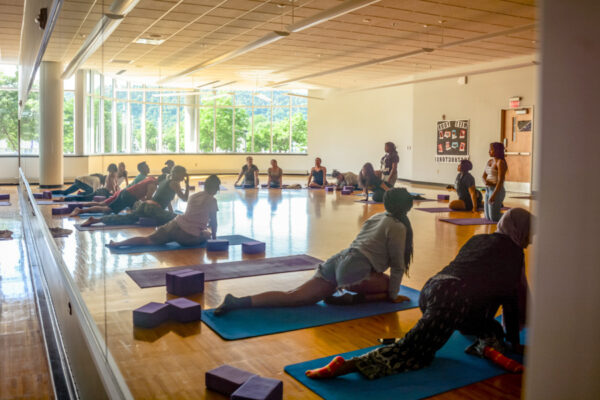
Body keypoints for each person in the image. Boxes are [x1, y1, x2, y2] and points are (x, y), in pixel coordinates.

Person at [304, 208, 531, 380]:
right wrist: (515, 343)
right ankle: (350, 365)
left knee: (490, 329)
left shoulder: (479, 239)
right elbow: (510, 298)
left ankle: (488, 345)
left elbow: (481, 283)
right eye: (529, 234)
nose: (530, 240)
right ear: (520, 230)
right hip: (453, 300)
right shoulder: (513, 253)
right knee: (414, 352)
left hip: (433, 289)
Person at [214, 188, 415, 315]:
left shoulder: (377, 217)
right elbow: (397, 265)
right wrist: (394, 296)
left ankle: (239, 302)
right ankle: (350, 299)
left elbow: (362, 245)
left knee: (294, 296)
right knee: (388, 286)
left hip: (339, 260)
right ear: (406, 207)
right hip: (353, 269)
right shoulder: (397, 226)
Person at [106, 175, 221, 248]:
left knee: (148, 240)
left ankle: (118, 244)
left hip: (175, 224)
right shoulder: (212, 200)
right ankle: (206, 235)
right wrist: (214, 239)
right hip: (187, 236)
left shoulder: (194, 196)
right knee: (207, 233)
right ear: (215, 188)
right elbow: (214, 222)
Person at [80, 166, 190, 226]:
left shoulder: (165, 181)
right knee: (179, 219)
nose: (184, 176)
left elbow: (167, 200)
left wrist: (169, 212)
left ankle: (97, 220)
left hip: (146, 206)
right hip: (152, 208)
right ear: (178, 174)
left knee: (127, 218)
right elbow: (185, 199)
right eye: (183, 174)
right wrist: (188, 184)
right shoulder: (175, 183)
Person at [70, 176, 157, 216]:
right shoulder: (152, 183)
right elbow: (148, 198)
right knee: (106, 208)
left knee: (104, 207)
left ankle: (80, 208)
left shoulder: (149, 179)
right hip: (124, 195)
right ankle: (80, 210)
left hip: (126, 194)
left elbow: (140, 194)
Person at [482, 142, 508, 221]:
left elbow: (500, 181)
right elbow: (484, 176)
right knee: (487, 217)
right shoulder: (490, 161)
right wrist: (486, 182)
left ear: (497, 151)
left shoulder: (500, 162)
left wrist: (493, 195)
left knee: (494, 218)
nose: (489, 151)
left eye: (491, 150)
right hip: (488, 190)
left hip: (497, 190)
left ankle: (511, 217)